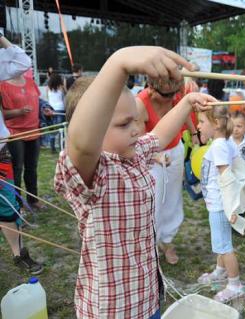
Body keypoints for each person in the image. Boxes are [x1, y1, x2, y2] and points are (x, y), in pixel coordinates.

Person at [54, 46, 214, 318]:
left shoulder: (135, 153)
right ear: (94, 128)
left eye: (137, 121)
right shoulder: (94, 176)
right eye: (124, 124)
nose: (138, 129)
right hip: (114, 310)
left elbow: (160, 135)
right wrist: (118, 63)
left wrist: (187, 103)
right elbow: (81, 144)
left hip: (146, 296)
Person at [136, 76, 199, 265]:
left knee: (173, 198)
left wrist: (194, 133)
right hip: (152, 156)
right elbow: (138, 144)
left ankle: (167, 241)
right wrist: (155, 157)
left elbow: (183, 112)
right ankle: (150, 245)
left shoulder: (174, 96)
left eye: (174, 94)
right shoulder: (140, 104)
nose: (171, 98)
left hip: (175, 151)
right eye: (167, 95)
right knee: (154, 202)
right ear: (152, 89)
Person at [196, 106, 245, 303]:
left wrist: (231, 207)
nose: (198, 126)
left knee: (224, 246)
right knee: (221, 241)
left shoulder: (218, 146)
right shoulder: (224, 142)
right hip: (218, 204)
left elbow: (227, 178)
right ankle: (220, 271)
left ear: (216, 124)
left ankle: (235, 285)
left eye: (201, 122)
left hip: (220, 206)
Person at [0, 70, 44, 210]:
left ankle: (33, 200)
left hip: (33, 131)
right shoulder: (2, 85)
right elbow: (1, 114)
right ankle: (17, 204)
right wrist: (18, 112)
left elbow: (39, 101)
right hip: (15, 133)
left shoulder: (31, 82)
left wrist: (46, 108)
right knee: (16, 170)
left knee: (32, 168)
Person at [46, 73, 66, 152]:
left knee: (52, 130)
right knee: (62, 130)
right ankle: (62, 147)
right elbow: (65, 95)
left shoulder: (47, 88)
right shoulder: (61, 88)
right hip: (60, 109)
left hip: (51, 110)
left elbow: (48, 99)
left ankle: (52, 148)